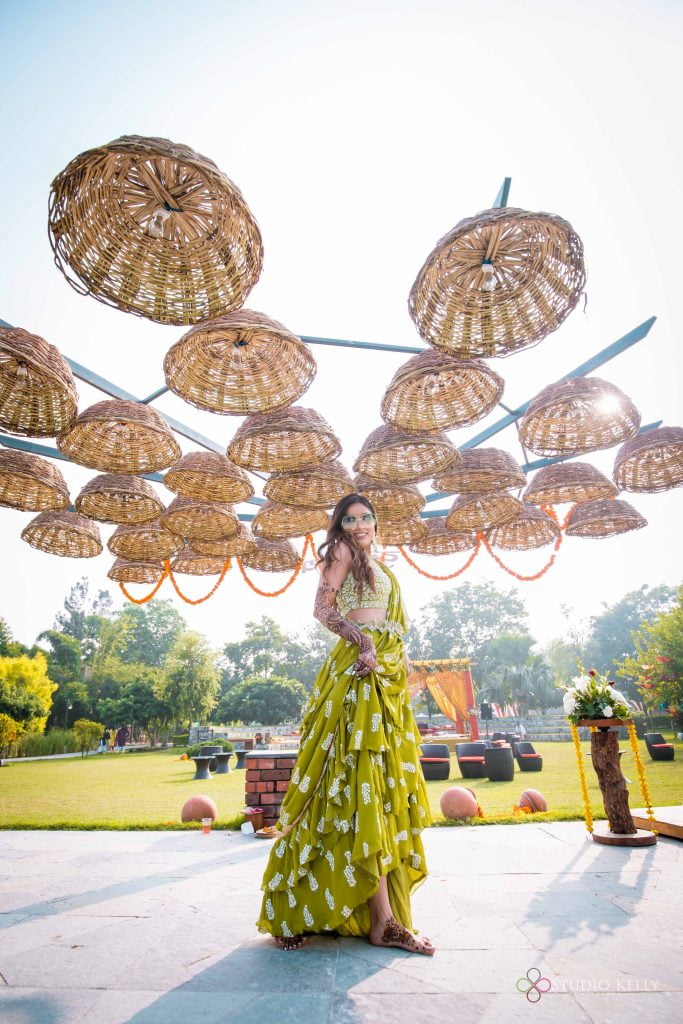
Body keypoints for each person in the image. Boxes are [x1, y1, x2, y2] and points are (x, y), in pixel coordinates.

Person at [256, 493, 434, 955]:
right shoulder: (341, 553)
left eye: (365, 517)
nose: (358, 524)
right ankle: (301, 907)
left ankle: (382, 919)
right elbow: (324, 610)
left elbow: (393, 625)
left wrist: (395, 660)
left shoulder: (381, 563)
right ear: (340, 525)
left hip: (385, 678)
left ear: (376, 521)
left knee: (378, 786)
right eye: (349, 518)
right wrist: (363, 643)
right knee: (349, 783)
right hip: (357, 672)